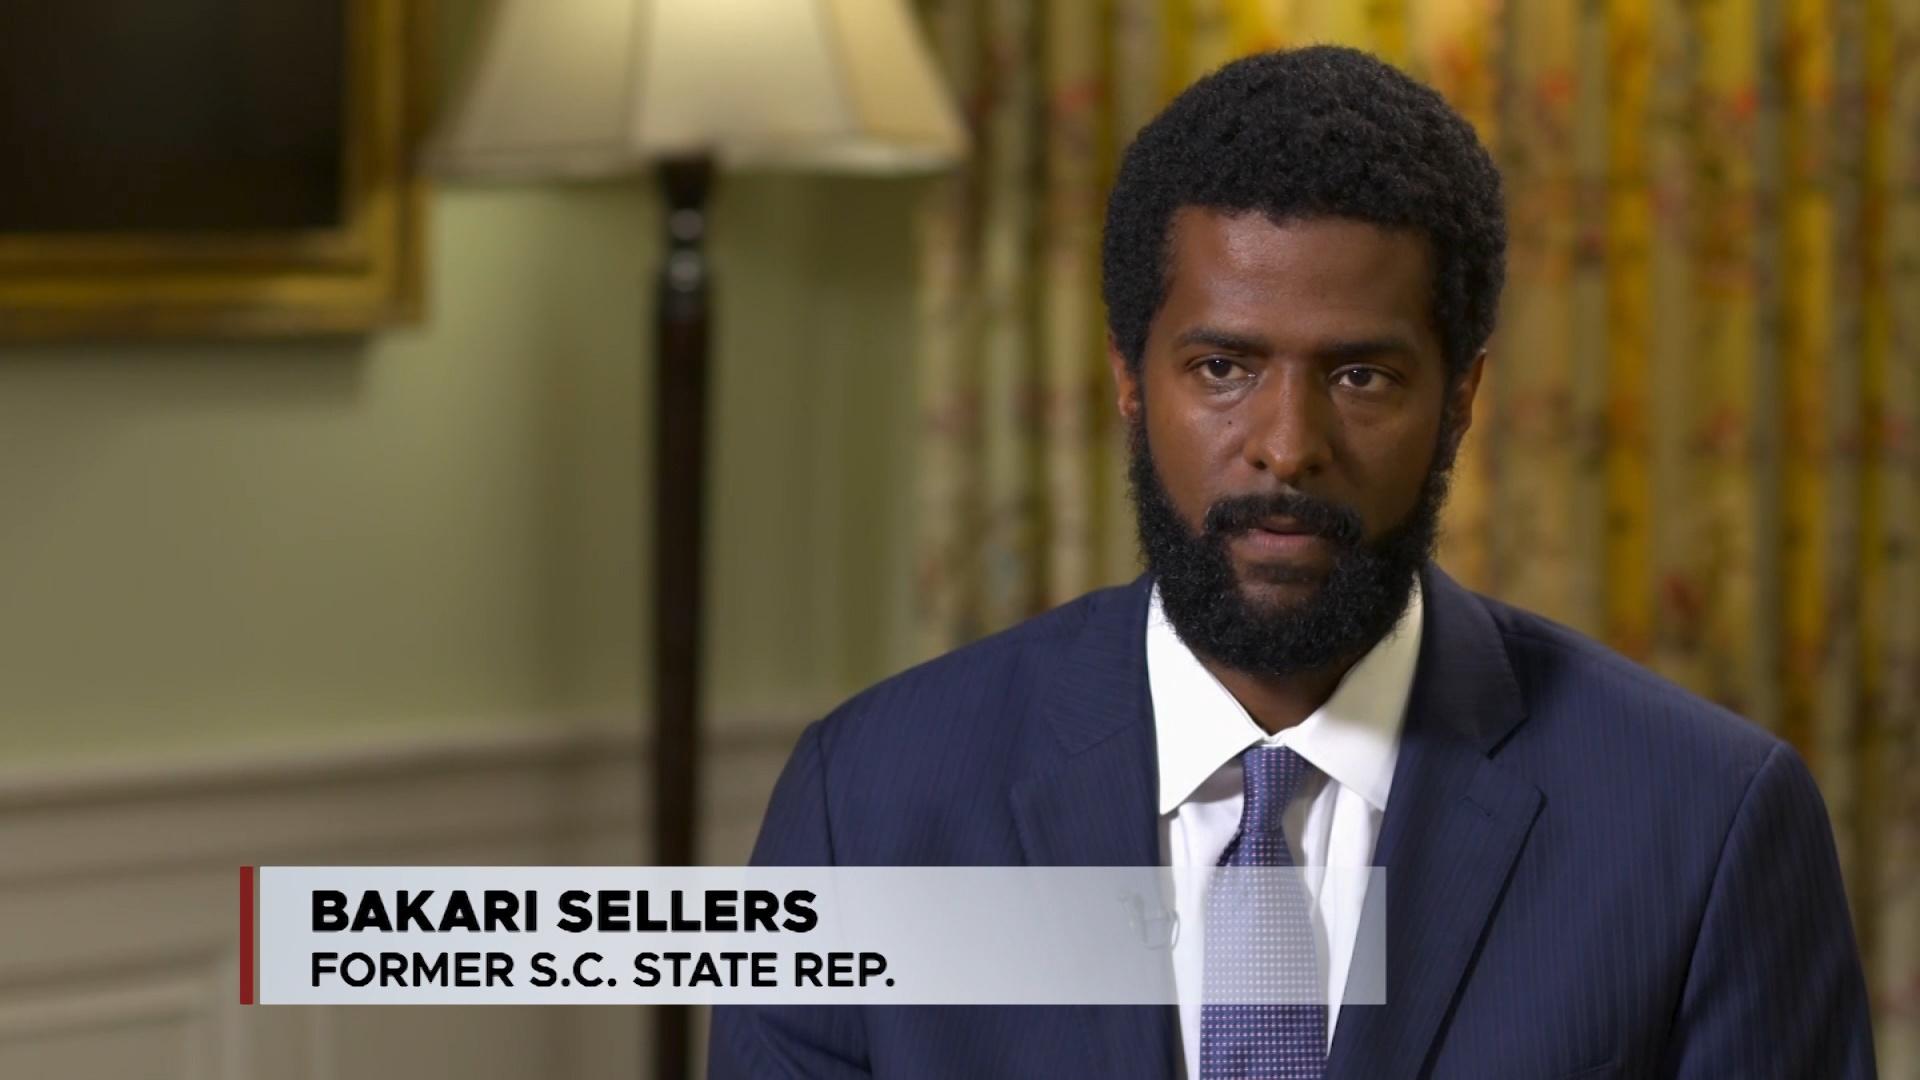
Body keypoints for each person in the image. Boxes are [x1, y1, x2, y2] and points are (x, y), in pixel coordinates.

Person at [707, 45, 1876, 1079]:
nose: (1286, 446)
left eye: (1361, 376)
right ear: (1128, 379)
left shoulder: (1702, 823)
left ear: (1460, 397)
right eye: (1222, 368)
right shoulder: (869, 802)